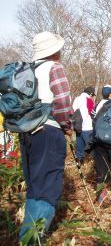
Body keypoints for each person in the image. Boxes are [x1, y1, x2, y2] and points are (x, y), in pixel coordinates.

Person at [19, 31, 73, 241]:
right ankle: (31, 240)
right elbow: (61, 102)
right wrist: (67, 127)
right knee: (47, 188)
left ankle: (28, 236)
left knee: (34, 186)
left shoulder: (28, 70)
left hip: (27, 133)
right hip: (48, 132)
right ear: (54, 51)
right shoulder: (55, 67)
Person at [72, 86, 95, 163]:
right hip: (87, 127)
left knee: (79, 148)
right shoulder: (88, 100)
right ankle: (93, 165)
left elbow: (73, 111)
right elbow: (93, 113)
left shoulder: (76, 99)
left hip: (78, 126)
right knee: (91, 147)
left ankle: (80, 163)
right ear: (91, 93)